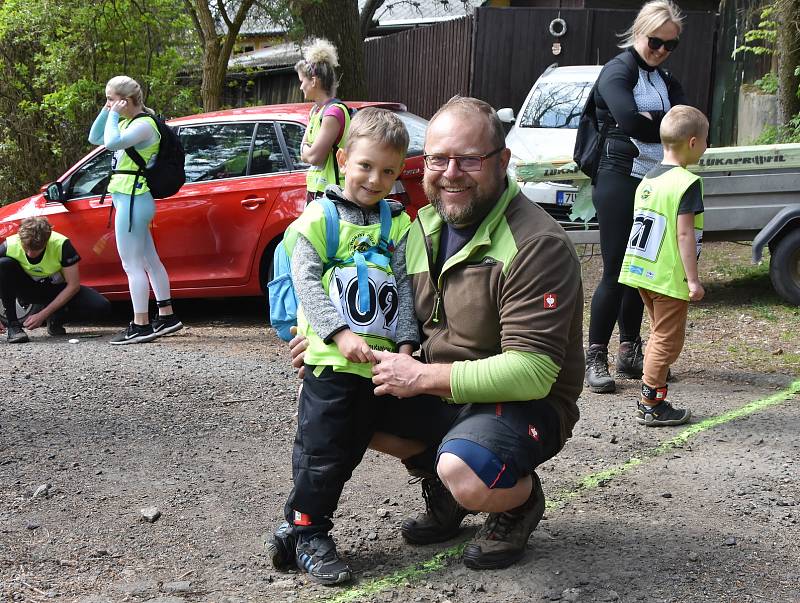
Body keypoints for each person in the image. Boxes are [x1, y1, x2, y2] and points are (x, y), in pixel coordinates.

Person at [273, 97, 584, 573]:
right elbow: (384, 308)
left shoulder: (536, 244)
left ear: (502, 161)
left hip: (522, 402)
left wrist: (421, 377)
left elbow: (533, 373)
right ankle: (437, 492)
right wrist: (322, 339)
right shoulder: (419, 227)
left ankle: (513, 502)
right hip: (443, 387)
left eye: (469, 159)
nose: (451, 172)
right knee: (337, 401)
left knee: (464, 468)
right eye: (438, 159)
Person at [268, 108, 418, 585]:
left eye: (389, 172)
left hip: (376, 366)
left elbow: (402, 287)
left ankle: (294, 526)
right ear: (343, 157)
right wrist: (339, 333)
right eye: (366, 166)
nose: (376, 180)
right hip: (332, 362)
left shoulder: (394, 224)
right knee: (321, 448)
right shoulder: (321, 216)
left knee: (349, 447)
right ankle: (311, 533)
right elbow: (305, 280)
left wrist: (407, 342)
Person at [585, 0, 688, 393]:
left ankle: (629, 351)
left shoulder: (663, 77)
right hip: (618, 176)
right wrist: (658, 123)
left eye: (670, 45)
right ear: (639, 32)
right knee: (615, 270)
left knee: (640, 270)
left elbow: (688, 121)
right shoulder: (618, 70)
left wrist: (651, 122)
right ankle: (595, 354)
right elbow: (629, 121)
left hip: (656, 181)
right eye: (656, 41)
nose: (661, 50)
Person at [619, 105, 708, 426]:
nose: (707, 146)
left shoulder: (648, 179)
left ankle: (652, 392)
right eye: (707, 140)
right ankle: (650, 402)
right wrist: (693, 280)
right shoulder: (686, 182)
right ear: (694, 142)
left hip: (643, 271)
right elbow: (684, 233)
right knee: (666, 340)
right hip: (667, 275)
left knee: (662, 335)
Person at [88, 75, 182, 344]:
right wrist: (107, 111)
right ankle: (167, 315)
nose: (107, 104)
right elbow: (96, 137)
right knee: (149, 260)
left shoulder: (143, 125)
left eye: (110, 99)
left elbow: (112, 143)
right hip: (130, 199)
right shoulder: (128, 121)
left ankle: (140, 324)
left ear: (126, 101)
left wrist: (115, 117)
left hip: (133, 198)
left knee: (132, 265)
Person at [0, 217, 111, 343]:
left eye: (36, 249)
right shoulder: (9, 245)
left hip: (55, 289)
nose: (30, 254)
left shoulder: (61, 244)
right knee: (4, 264)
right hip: (27, 290)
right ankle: (13, 326)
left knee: (102, 307)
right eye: (27, 249)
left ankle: (57, 317)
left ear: (47, 241)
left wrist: (44, 314)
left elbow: (73, 286)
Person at [295, 38, 351, 203]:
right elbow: (303, 151)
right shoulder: (316, 111)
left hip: (333, 194)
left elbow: (314, 157)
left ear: (313, 81)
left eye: (301, 81)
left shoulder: (333, 113)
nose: (300, 87)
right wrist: (307, 151)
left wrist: (307, 151)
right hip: (316, 191)